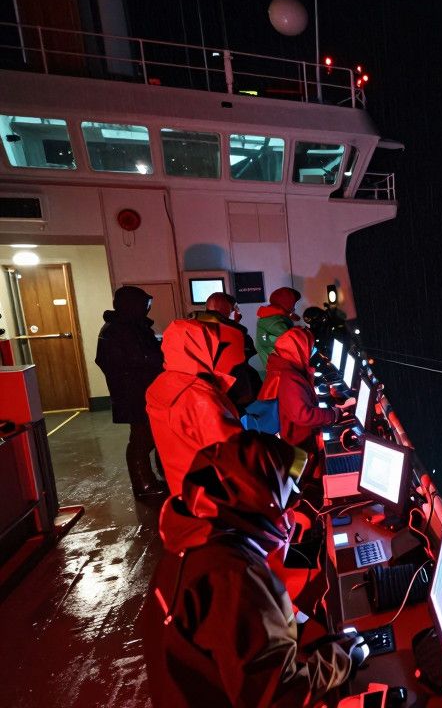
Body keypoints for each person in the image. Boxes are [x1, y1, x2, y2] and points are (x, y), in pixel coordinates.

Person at [141, 431, 367, 706]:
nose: (289, 513)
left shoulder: (186, 547)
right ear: (262, 500)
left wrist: (305, 641)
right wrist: (342, 658)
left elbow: (237, 648)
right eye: (288, 499)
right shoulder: (233, 575)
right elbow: (278, 697)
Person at [145, 318, 244, 494]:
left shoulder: (162, 384)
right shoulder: (199, 397)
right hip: (217, 496)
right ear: (200, 348)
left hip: (184, 488)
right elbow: (233, 454)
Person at [94, 285, 166, 498]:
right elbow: (137, 358)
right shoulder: (120, 329)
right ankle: (143, 484)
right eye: (144, 304)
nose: (147, 308)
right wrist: (162, 358)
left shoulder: (125, 326)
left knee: (145, 437)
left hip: (138, 391)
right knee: (142, 440)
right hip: (135, 393)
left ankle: (150, 480)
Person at [259, 327, 354, 457]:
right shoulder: (288, 377)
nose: (311, 352)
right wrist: (334, 414)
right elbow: (303, 415)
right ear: (298, 349)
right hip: (299, 449)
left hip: (292, 443)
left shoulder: (281, 369)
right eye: (309, 348)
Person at [190, 291, 261, 413]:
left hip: (204, 392)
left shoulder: (195, 330)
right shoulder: (235, 334)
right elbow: (246, 360)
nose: (238, 313)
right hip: (236, 394)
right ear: (227, 309)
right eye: (235, 309)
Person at [255, 287, 302, 366]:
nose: (294, 307)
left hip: (276, 368)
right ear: (286, 303)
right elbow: (292, 342)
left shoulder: (271, 316)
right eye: (293, 303)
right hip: (279, 371)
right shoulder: (275, 322)